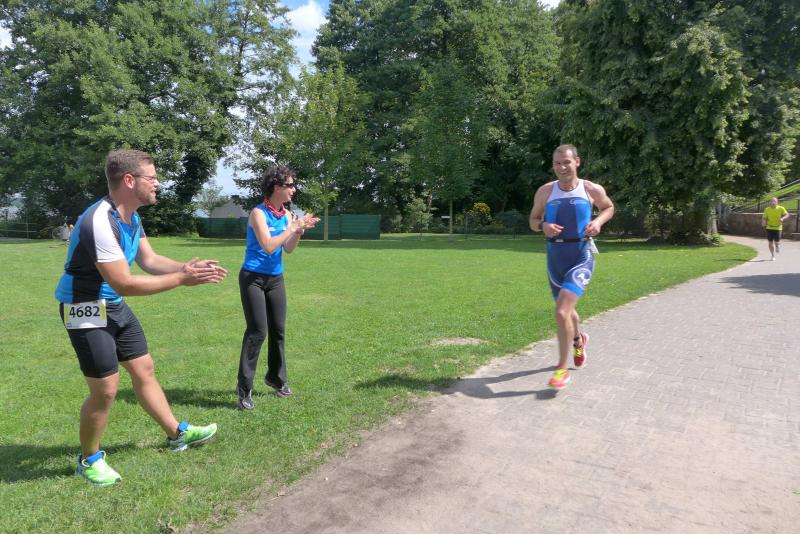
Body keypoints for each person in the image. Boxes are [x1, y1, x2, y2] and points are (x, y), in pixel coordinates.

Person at [55, 149, 228, 486]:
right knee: (106, 390)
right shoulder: (98, 221)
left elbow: (148, 260)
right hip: (83, 307)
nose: (158, 183)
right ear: (129, 180)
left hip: (113, 304)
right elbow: (124, 282)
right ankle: (88, 459)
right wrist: (182, 280)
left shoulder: (132, 216)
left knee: (144, 368)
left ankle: (176, 434)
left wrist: (185, 268)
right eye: (152, 177)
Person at [528, 144, 615, 390]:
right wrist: (543, 226)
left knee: (561, 312)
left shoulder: (590, 189)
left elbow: (608, 207)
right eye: (557, 163)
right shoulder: (545, 191)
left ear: (577, 161)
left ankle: (561, 369)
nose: (562, 167)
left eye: (566, 162)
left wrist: (598, 222)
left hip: (581, 256)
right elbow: (533, 220)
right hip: (555, 258)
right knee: (566, 310)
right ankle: (579, 340)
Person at [236, 166, 319, 410]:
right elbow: (269, 245)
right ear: (276, 187)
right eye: (290, 185)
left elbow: (288, 249)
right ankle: (244, 388)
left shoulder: (287, 215)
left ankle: (276, 379)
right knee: (257, 331)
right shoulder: (258, 214)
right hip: (253, 278)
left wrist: (298, 230)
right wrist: (291, 227)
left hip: (275, 279)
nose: (294, 189)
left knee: (278, 330)